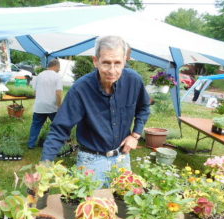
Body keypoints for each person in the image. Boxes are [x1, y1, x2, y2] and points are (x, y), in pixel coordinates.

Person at [42, 35, 151, 186]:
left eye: (118, 63)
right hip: (90, 161)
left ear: (125, 60)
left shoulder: (134, 81)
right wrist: (44, 167)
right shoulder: (81, 89)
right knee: (90, 205)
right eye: (106, 63)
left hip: (122, 157)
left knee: (122, 206)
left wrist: (135, 135)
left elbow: (144, 107)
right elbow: (60, 129)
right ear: (96, 61)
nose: (112, 70)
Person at [28, 59, 63, 149]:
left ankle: (31, 144)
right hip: (52, 107)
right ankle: (60, 144)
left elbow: (35, 92)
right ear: (55, 66)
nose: (59, 69)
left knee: (36, 126)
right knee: (58, 126)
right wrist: (59, 106)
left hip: (39, 106)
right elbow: (58, 93)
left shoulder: (39, 75)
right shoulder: (57, 77)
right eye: (59, 67)